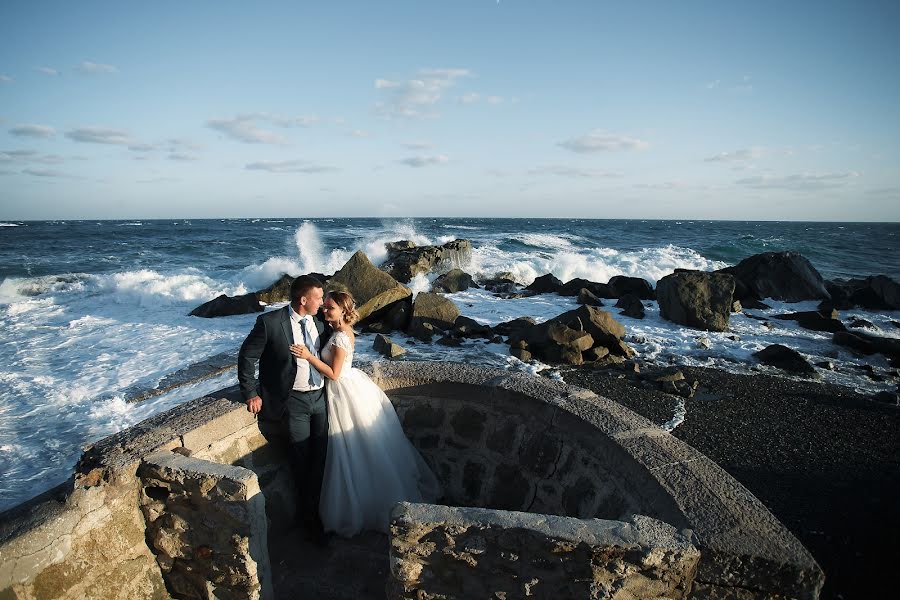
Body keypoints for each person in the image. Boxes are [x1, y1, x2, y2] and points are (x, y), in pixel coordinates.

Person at [295, 290, 441, 537]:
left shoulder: (341, 337)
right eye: (324, 306)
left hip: (342, 391)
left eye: (330, 307)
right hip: (346, 388)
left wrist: (308, 357)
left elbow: (334, 374)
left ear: (343, 311)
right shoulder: (337, 332)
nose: (324, 310)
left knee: (349, 449)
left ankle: (359, 507)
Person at [237, 275, 331, 544]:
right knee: (301, 462)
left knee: (321, 460)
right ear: (303, 300)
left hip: (321, 399)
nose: (322, 303)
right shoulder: (270, 323)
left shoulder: (321, 321)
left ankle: (318, 512)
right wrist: (251, 392)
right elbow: (247, 356)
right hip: (293, 403)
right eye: (318, 298)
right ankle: (311, 523)